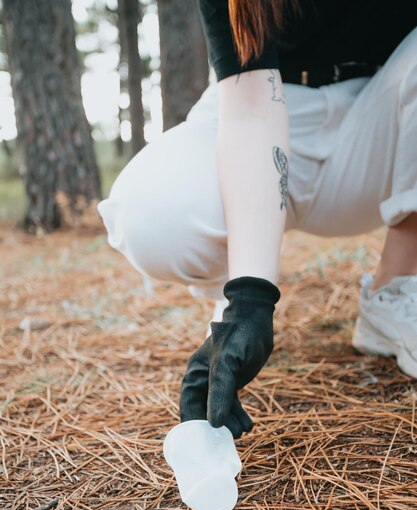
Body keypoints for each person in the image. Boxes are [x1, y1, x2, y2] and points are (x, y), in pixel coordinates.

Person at [98, 0, 417, 439]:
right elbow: (251, 109)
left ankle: (395, 289)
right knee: (151, 214)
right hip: (258, 103)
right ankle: (231, 296)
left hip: (386, 121)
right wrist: (249, 299)